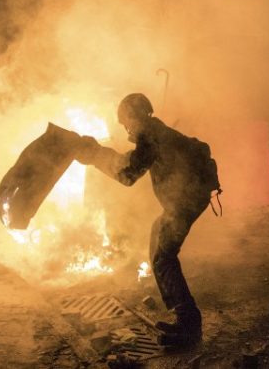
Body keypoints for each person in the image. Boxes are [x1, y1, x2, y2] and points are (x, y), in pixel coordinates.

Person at [75, 93, 219, 347]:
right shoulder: (156, 130)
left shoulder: (150, 135)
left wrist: (95, 155)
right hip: (189, 198)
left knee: (164, 257)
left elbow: (128, 174)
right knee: (158, 242)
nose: (125, 128)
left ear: (134, 116)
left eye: (125, 122)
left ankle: (189, 326)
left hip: (184, 202)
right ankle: (183, 319)